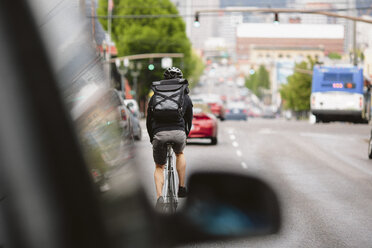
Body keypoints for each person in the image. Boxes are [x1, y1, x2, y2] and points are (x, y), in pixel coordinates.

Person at [146, 67, 193, 207]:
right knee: (179, 153)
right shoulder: (184, 96)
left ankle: (160, 197)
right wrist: (186, 134)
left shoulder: (155, 96)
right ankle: (182, 187)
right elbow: (189, 118)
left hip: (159, 134)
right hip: (178, 133)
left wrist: (152, 137)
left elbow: (149, 120)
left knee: (159, 166)